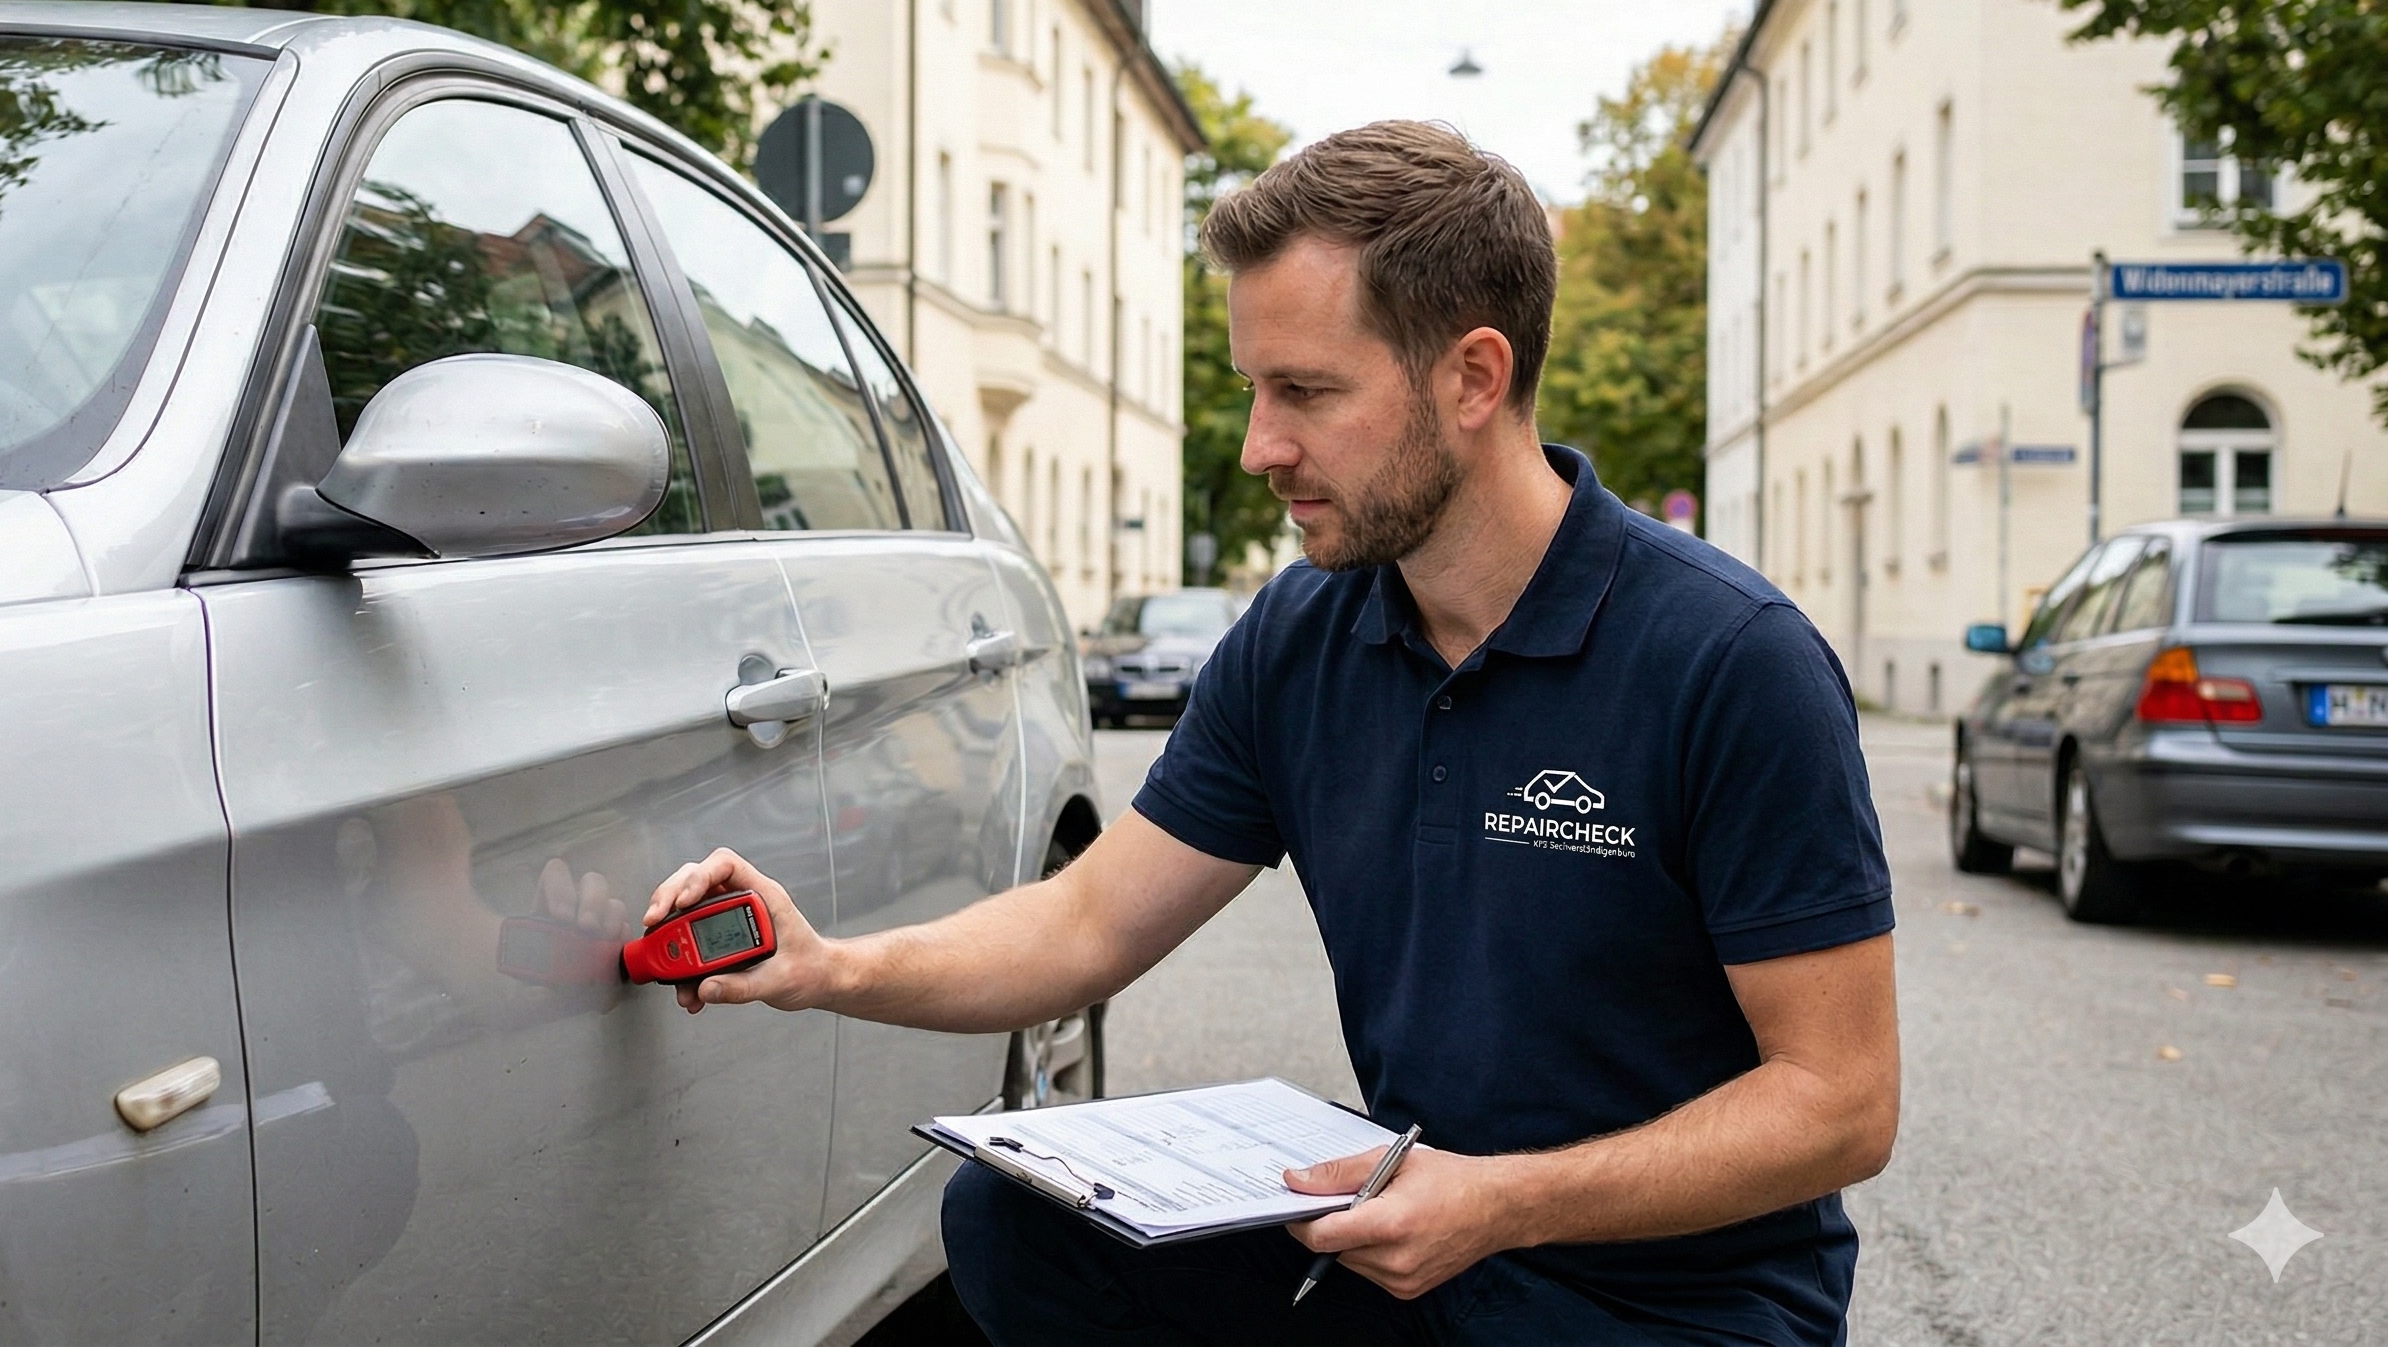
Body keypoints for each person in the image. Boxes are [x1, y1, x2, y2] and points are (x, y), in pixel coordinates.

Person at [644, 121, 1898, 1345]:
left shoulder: (1730, 660)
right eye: (1254, 390)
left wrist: (1498, 1202)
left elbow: (1839, 1104)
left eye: (1305, 391)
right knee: (1016, 1218)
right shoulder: (1301, 634)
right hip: (1414, 1243)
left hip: (1673, 1306)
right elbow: (1087, 923)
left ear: (1473, 377)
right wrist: (829, 966)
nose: (1260, 447)